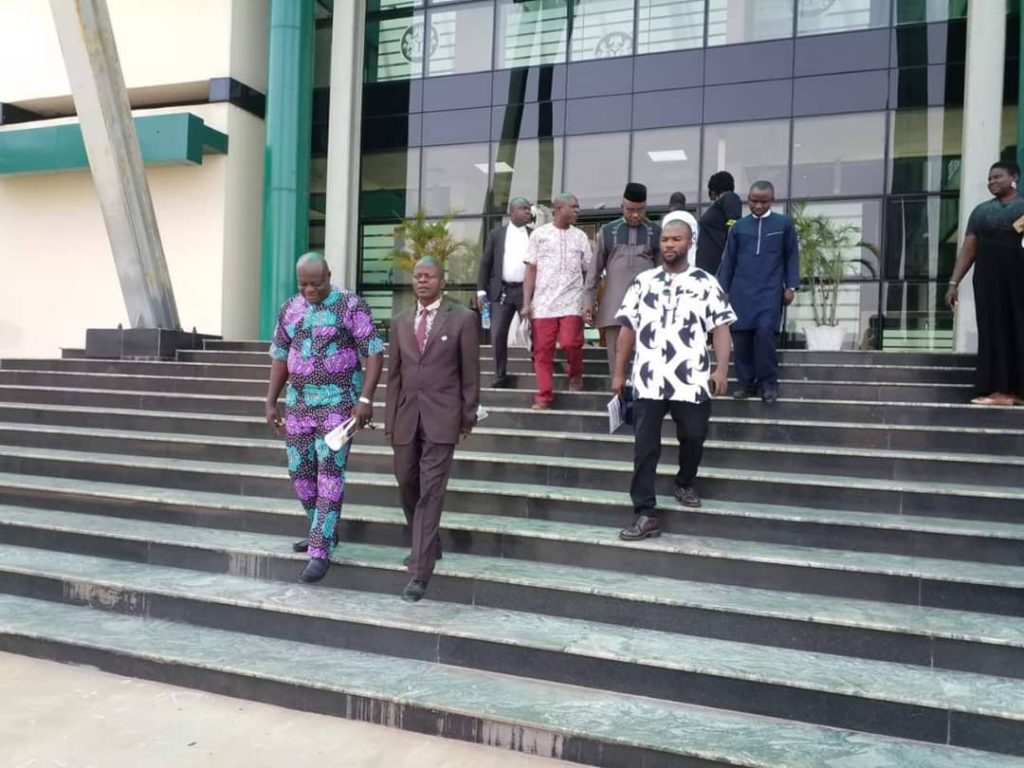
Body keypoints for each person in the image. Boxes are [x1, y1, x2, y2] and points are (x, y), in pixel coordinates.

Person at [265, 252, 384, 583]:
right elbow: (280, 356)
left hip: (339, 407)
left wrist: (365, 399)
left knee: (330, 475)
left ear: (329, 276)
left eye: (316, 283)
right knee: (300, 474)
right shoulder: (289, 308)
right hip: (299, 406)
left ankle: (319, 550)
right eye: (303, 284)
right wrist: (271, 401)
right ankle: (324, 529)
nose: (309, 290)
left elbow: (374, 352)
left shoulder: (351, 305)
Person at [613, 219, 735, 540]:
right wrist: (619, 372)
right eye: (665, 238)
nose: (669, 244)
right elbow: (627, 329)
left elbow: (721, 327)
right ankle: (645, 513)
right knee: (644, 449)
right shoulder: (643, 282)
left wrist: (721, 369)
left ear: (689, 243)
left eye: (676, 239)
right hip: (649, 379)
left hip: (691, 379)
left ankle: (684, 481)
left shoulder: (706, 282)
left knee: (694, 436)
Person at [385, 257, 481, 603]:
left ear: (443, 281)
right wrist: (390, 420)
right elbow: (393, 375)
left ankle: (419, 571)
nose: (422, 281)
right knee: (405, 481)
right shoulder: (399, 322)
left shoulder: (463, 319)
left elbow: (470, 372)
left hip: (443, 417)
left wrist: (467, 414)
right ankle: (430, 542)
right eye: (417, 276)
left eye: (429, 276)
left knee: (431, 491)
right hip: (406, 417)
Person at [945, 161, 1024, 406]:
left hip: (1019, 277)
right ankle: (1000, 390)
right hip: (988, 280)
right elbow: (969, 248)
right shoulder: (981, 212)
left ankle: (1018, 393)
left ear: (1014, 177)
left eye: (997, 177)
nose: (992, 182)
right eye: (989, 178)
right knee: (993, 330)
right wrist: (954, 282)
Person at [717, 180, 799, 404]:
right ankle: (746, 384)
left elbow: (791, 256)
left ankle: (768, 385)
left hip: (770, 292)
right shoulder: (739, 227)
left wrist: (791, 287)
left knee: (764, 336)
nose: (758, 206)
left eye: (764, 201)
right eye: (754, 201)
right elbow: (729, 261)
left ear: (772, 200)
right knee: (742, 340)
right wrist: (722, 290)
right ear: (748, 200)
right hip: (741, 292)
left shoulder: (784, 224)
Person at [523, 193, 593, 410]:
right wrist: (526, 302)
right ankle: (544, 396)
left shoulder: (580, 236)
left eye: (578, 207)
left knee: (571, 342)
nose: (577, 211)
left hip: (572, 300)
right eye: (573, 206)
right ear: (558, 209)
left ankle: (575, 374)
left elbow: (589, 270)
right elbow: (530, 269)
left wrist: (589, 301)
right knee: (542, 351)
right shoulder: (539, 235)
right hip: (543, 303)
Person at [584, 183, 661, 374]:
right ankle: (618, 393)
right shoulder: (608, 231)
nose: (635, 215)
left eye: (640, 210)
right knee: (617, 362)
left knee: (646, 362)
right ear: (621, 207)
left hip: (648, 309)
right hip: (614, 309)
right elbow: (594, 271)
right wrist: (588, 302)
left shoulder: (656, 232)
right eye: (630, 210)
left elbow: (663, 274)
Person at [476, 197, 533, 388]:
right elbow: (485, 264)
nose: (527, 211)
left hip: (527, 293)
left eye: (528, 208)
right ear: (511, 212)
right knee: (498, 333)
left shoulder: (534, 235)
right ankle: (500, 375)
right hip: (502, 292)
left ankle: (539, 366)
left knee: (536, 331)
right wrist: (481, 291)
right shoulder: (496, 235)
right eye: (522, 208)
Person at [697, 171, 743, 275]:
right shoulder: (718, 204)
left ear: (713, 189)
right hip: (709, 264)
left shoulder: (729, 197)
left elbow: (734, 221)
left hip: (717, 263)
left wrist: (726, 233)